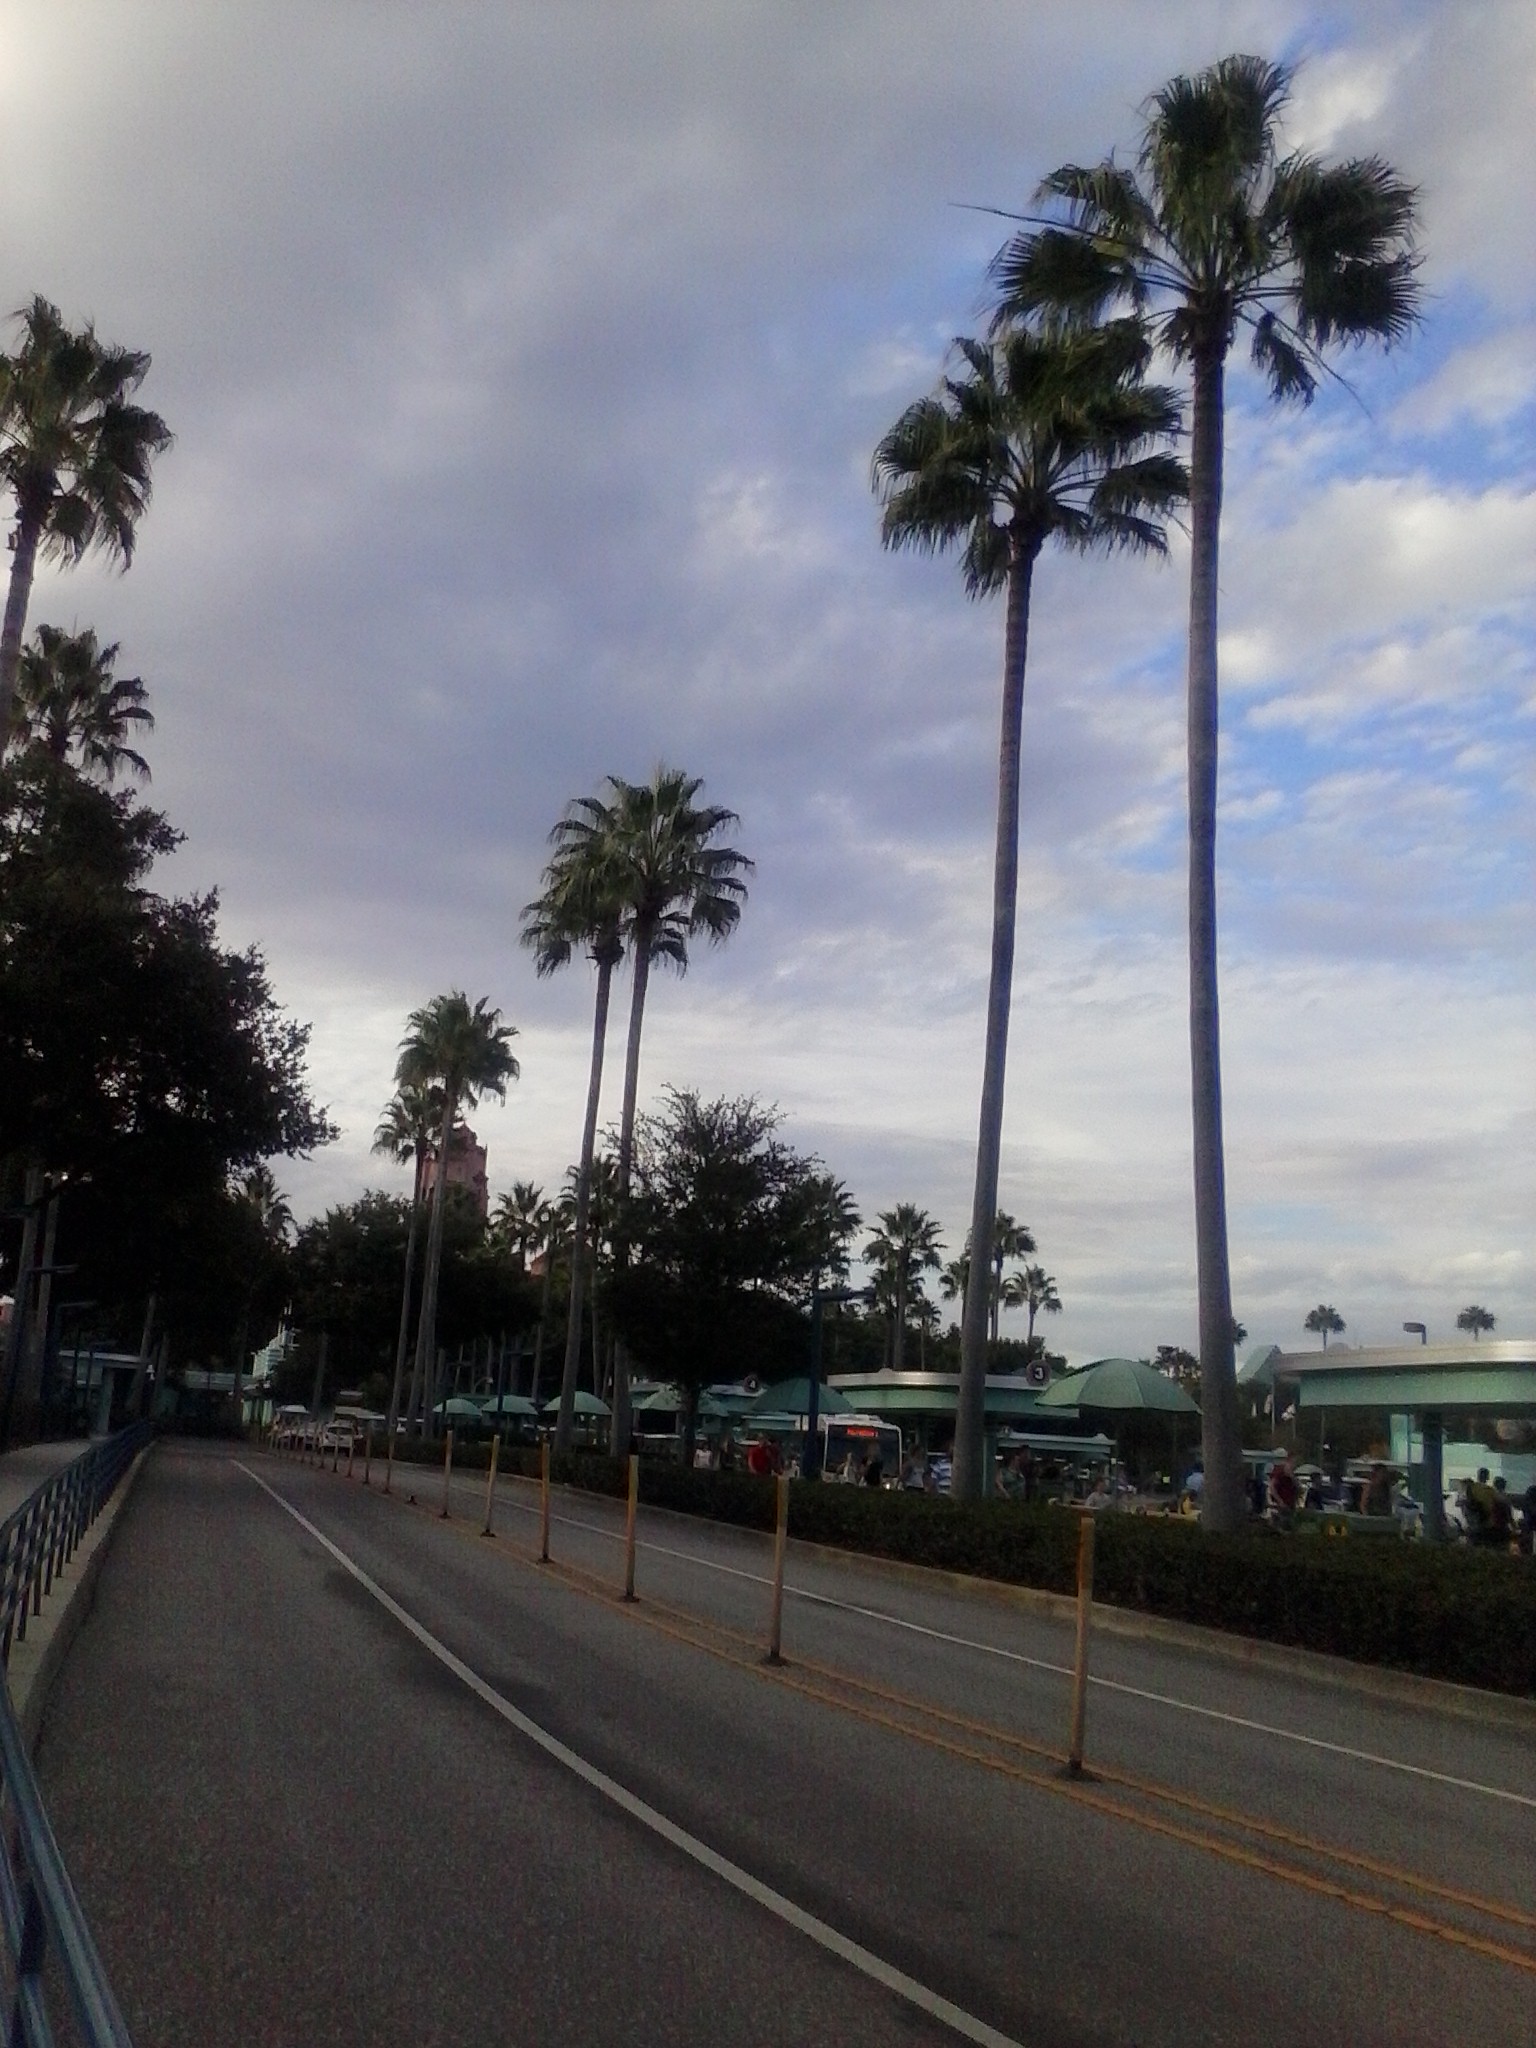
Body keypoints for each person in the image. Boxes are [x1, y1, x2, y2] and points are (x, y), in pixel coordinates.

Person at [1267, 1451, 1299, 1526]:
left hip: (1290, 1505)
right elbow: (1272, 1487)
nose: (1293, 1465)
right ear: (1288, 1461)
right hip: (1279, 1505)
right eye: (1293, 1462)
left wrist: (1292, 1477)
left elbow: (1297, 1487)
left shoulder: (1292, 1475)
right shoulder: (1279, 1472)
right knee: (1279, 1523)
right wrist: (1280, 1501)